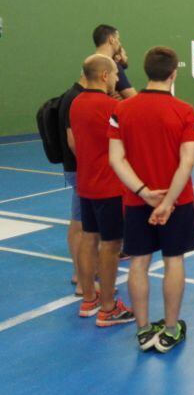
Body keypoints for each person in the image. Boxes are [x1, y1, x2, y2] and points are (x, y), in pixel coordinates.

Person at [109, 47, 194, 353]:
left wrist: (143, 192)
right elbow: (187, 162)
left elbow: (116, 159)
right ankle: (171, 330)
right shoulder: (184, 110)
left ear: (146, 72)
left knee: (139, 263)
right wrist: (167, 201)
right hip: (178, 202)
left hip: (137, 203)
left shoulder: (121, 110)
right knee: (174, 261)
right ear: (174, 73)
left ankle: (144, 330)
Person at [69, 55, 134, 326]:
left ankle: (89, 299)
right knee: (110, 246)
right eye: (116, 76)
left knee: (88, 238)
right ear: (105, 76)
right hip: (109, 186)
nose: (119, 80)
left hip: (85, 184)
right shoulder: (112, 107)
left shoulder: (75, 103)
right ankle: (108, 308)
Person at [60, 77, 86, 294]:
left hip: (78, 168)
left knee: (81, 221)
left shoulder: (73, 96)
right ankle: (81, 279)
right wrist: (90, 167)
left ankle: (81, 273)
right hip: (80, 169)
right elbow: (72, 140)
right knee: (80, 224)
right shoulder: (75, 99)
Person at [92, 24, 136, 99]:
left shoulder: (88, 65)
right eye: (118, 39)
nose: (119, 43)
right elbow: (134, 99)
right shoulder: (113, 67)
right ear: (111, 39)